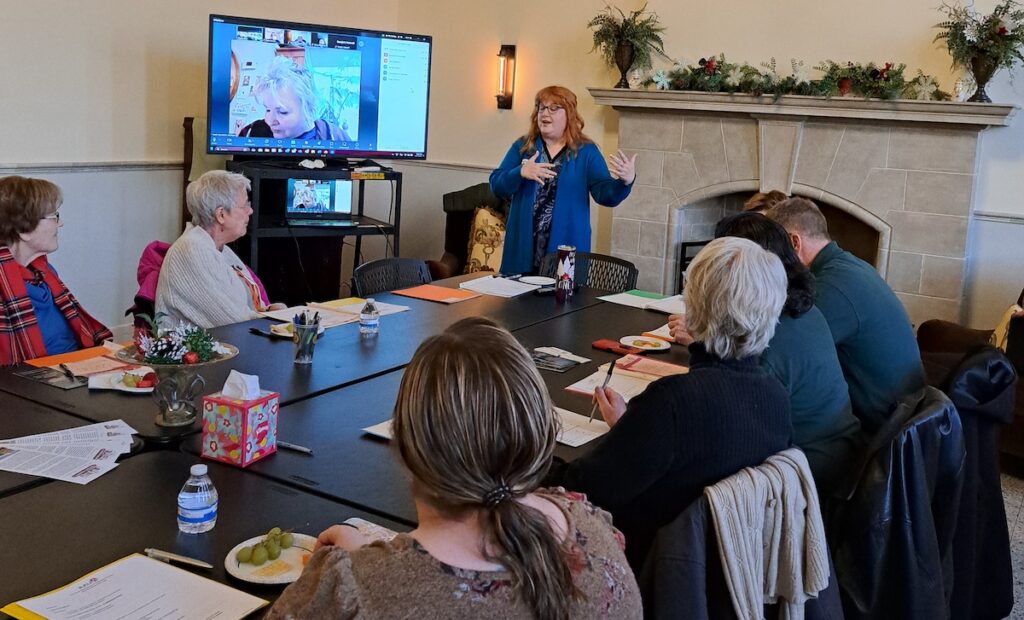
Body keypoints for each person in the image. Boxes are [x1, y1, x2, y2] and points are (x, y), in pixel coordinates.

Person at [268, 317, 642, 619]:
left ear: (408, 442)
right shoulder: (595, 532)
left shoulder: (350, 595)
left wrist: (363, 564)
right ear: (539, 426)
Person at [547, 237, 791, 570]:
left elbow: (583, 489)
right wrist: (632, 429)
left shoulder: (672, 403)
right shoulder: (777, 396)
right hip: (726, 566)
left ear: (694, 305)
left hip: (645, 562)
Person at [711, 212, 863, 496]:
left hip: (809, 476)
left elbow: (734, 436)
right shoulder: (804, 309)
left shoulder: (770, 336)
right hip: (840, 454)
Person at [767, 197, 924, 434]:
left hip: (880, 435)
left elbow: (782, 349)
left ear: (794, 242)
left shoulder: (832, 287)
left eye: (772, 249)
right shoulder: (850, 267)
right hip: (904, 416)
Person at [489, 85, 636, 274]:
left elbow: (605, 195)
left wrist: (625, 182)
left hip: (566, 251)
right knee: (516, 302)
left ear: (569, 114)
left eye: (553, 108)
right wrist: (520, 172)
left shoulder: (586, 152)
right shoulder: (524, 147)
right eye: (541, 107)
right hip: (522, 251)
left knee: (563, 302)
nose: (545, 113)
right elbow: (497, 185)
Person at [0, 176, 111, 365]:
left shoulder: (43, 271)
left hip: (76, 369)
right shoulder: (5, 286)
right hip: (35, 384)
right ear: (24, 231)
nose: (60, 224)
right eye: (54, 217)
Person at [156, 171, 283, 329]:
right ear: (221, 214)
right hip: (203, 351)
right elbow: (233, 324)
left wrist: (270, 311)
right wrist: (277, 321)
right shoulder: (191, 251)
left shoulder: (220, 249)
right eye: (245, 205)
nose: (250, 211)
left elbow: (247, 308)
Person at [237, 56, 352, 141]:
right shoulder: (251, 133)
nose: (270, 121)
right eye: (267, 109)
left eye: (282, 112)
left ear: (308, 108)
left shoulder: (338, 138)